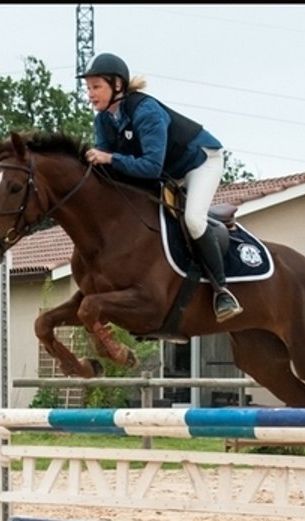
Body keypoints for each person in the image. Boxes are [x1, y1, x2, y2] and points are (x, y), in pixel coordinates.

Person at [78, 52, 243, 322]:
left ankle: (222, 291)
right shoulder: (104, 120)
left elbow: (150, 167)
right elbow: (109, 169)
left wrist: (110, 158)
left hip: (200, 162)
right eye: (88, 88)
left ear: (117, 85)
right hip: (169, 170)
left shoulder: (146, 112)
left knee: (193, 219)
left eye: (96, 87)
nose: (90, 94)